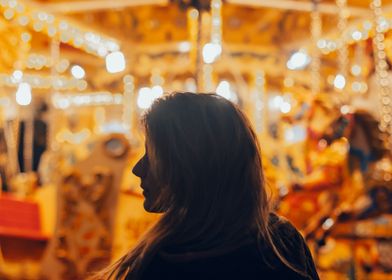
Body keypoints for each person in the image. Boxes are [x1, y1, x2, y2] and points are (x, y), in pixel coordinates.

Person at [95, 92, 319, 280]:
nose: (137, 169)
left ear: (189, 165)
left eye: (152, 155)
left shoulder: (170, 258)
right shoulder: (282, 241)